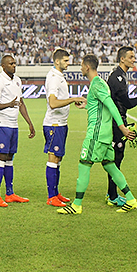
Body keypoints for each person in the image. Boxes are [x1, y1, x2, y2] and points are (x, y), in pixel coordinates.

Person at [57, 55, 137, 215]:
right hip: (105, 134)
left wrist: (122, 128)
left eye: (81, 65)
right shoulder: (100, 83)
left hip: (97, 134)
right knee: (110, 166)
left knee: (84, 164)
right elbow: (102, 105)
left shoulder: (96, 84)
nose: (80, 68)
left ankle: (77, 205)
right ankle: (130, 199)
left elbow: (111, 105)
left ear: (87, 67)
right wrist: (88, 104)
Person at [105, 46, 137, 207]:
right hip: (115, 123)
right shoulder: (117, 77)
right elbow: (128, 104)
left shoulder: (121, 76)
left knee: (117, 158)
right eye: (131, 57)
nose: (134, 59)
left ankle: (111, 193)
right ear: (122, 59)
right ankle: (112, 196)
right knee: (115, 159)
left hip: (118, 121)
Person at [0, 54, 36, 207]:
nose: (14, 66)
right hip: (1, 123)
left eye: (15, 63)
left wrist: (29, 122)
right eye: (11, 64)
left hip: (13, 124)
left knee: (10, 158)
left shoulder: (17, 80)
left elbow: (20, 102)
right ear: (3, 66)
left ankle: (9, 193)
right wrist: (8, 104)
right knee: (1, 156)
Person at [42, 49, 86, 207]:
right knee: (53, 158)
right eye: (66, 61)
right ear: (57, 62)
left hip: (61, 123)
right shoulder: (53, 78)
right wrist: (72, 98)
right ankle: (51, 196)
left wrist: (70, 101)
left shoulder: (59, 76)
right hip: (54, 124)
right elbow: (53, 103)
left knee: (58, 159)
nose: (69, 63)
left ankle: (55, 192)